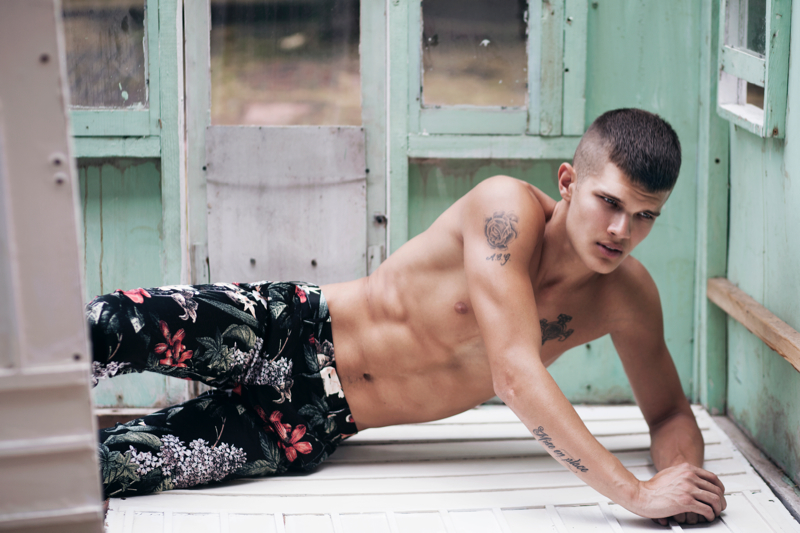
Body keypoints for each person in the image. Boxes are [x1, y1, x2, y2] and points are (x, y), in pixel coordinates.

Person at [90, 108, 725, 526]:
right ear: (568, 181)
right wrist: (635, 494)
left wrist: (681, 482)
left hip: (311, 426)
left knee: (106, 466)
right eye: (609, 202)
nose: (621, 230)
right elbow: (513, 373)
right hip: (286, 331)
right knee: (102, 328)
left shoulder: (628, 297)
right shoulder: (505, 211)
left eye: (645, 215)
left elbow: (670, 413)